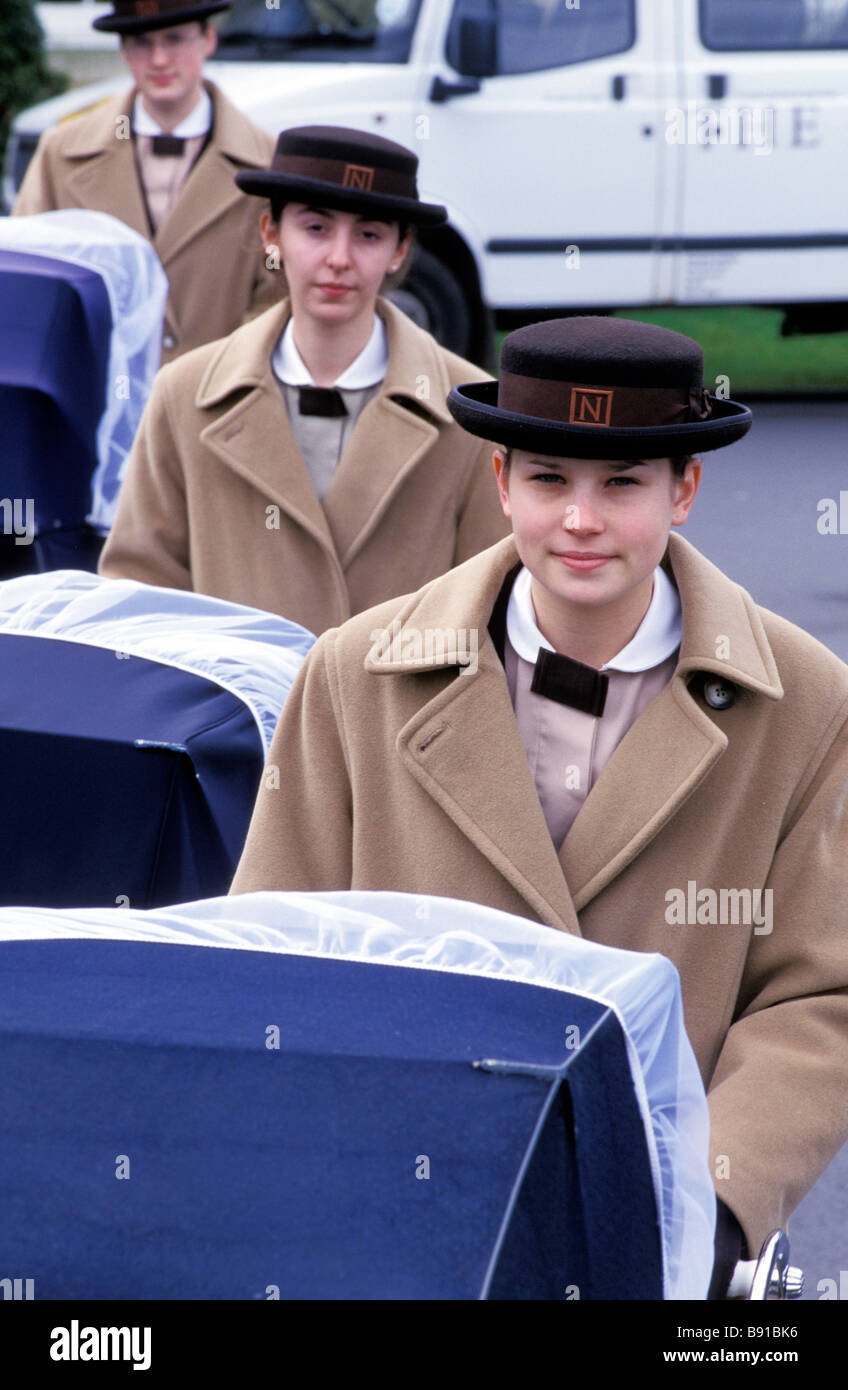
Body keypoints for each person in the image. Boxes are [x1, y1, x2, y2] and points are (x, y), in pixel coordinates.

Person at [230, 315, 848, 1296]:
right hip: (392, 1215)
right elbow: (269, 956)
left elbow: (816, 997)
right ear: (498, 482)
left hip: (649, 1228)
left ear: (683, 489)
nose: (580, 520)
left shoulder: (805, 702)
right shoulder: (351, 675)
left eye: (622, 484)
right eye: (548, 478)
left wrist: (704, 1211)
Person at [98, 125, 507, 632]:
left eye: (369, 234)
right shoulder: (183, 394)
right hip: (231, 707)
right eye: (316, 228)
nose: (339, 258)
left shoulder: (467, 413)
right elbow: (139, 592)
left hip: (399, 711)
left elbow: (489, 607)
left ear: (400, 250)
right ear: (271, 234)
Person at [13, 0, 275, 365]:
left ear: (208, 39)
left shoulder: (266, 164)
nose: (159, 60)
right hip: (95, 403)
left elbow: (278, 296)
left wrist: (224, 379)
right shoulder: (61, 153)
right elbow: (29, 279)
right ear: (122, 51)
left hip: (213, 403)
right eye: (140, 43)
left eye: (175, 39)